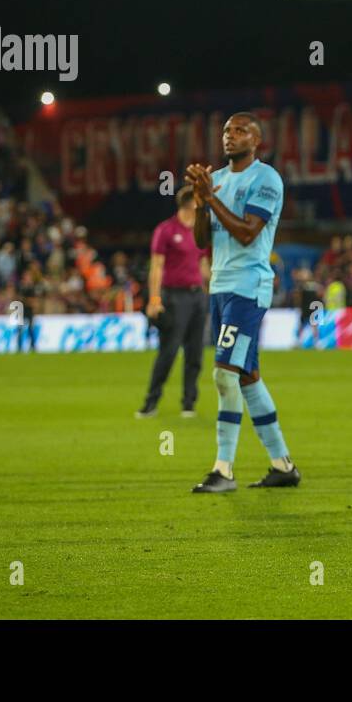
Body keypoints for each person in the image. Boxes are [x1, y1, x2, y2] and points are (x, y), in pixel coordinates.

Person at [187, 113, 301, 493]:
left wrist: (211, 198)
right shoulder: (216, 179)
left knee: (223, 373)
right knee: (247, 375)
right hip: (220, 288)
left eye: (240, 131)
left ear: (257, 141)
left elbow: (249, 233)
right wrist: (203, 203)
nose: (229, 136)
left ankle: (223, 469)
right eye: (226, 131)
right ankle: (283, 464)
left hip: (248, 289)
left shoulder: (265, 179)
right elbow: (203, 240)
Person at [137, 187, 210, 418]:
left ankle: (189, 403)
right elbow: (156, 266)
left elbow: (203, 264)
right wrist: (155, 299)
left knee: (195, 353)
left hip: (197, 296)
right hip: (174, 297)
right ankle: (151, 402)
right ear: (189, 202)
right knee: (168, 352)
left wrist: (211, 290)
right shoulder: (166, 230)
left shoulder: (200, 231)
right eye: (200, 199)